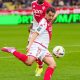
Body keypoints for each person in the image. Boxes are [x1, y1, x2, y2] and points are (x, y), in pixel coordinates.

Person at [1, 7, 57, 80]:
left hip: (44, 48)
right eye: (49, 15)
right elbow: (35, 33)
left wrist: (55, 15)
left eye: (52, 16)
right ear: (45, 14)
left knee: (52, 64)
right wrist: (29, 45)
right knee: (29, 62)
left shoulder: (49, 21)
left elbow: (54, 17)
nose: (51, 17)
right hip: (37, 46)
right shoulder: (43, 23)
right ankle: (12, 50)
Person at [28, 0, 52, 76]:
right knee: (32, 48)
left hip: (42, 29)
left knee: (36, 48)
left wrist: (48, 25)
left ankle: (40, 67)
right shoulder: (33, 3)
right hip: (34, 28)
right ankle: (40, 65)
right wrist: (32, 23)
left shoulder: (47, 5)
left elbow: (51, 15)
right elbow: (33, 14)